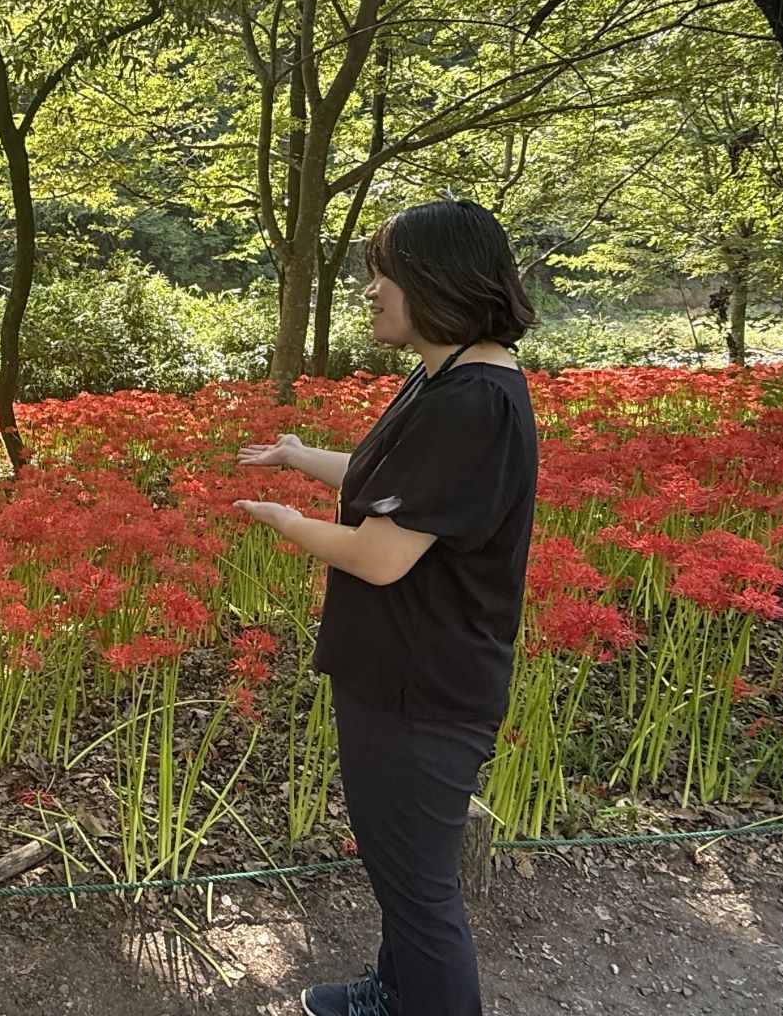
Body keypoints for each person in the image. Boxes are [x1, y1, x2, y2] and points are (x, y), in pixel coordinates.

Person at [234, 201, 539, 1016]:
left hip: (422, 688)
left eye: (386, 273)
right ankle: (396, 995)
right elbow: (396, 492)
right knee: (401, 870)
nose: (370, 289)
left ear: (438, 282)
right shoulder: (447, 379)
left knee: (418, 890)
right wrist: (299, 458)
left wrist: (285, 523)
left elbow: (380, 552)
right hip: (405, 672)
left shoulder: (470, 403)